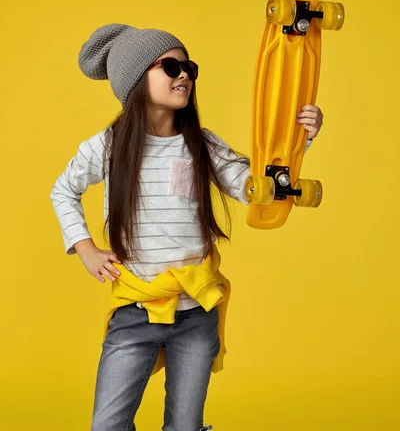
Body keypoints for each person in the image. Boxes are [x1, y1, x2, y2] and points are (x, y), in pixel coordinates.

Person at [50, 23, 323, 431]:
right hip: (135, 310)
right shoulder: (105, 147)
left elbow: (256, 190)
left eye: (189, 68)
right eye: (172, 66)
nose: (184, 76)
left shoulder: (202, 144)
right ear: (134, 79)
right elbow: (62, 190)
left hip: (196, 312)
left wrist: (299, 138)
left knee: (185, 425)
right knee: (107, 424)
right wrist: (85, 248)